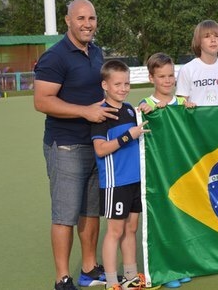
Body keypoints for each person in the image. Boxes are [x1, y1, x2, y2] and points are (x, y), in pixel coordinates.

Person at [34, 0, 119, 290]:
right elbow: (42, 101)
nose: (87, 24)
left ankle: (89, 269)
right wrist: (85, 112)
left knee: (90, 211)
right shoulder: (55, 57)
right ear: (68, 21)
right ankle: (62, 278)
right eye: (81, 18)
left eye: (91, 18)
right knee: (64, 215)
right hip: (66, 146)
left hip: (96, 144)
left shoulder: (96, 52)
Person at [91, 60, 152, 290]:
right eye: (117, 84)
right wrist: (128, 136)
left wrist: (148, 108)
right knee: (115, 231)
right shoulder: (101, 114)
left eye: (126, 83)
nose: (123, 88)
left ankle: (130, 277)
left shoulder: (129, 109)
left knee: (131, 229)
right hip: (116, 183)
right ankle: (112, 282)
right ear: (105, 85)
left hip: (136, 181)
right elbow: (100, 149)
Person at [137, 53, 191, 289]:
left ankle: (180, 265)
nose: (167, 80)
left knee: (182, 220)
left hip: (181, 172)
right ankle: (165, 271)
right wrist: (147, 110)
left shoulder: (182, 102)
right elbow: (141, 118)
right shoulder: (147, 105)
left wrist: (191, 110)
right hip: (159, 175)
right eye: (162, 76)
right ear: (152, 78)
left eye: (170, 75)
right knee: (163, 222)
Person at [176, 19, 218, 107]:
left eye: (217, 36)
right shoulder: (187, 70)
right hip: (196, 116)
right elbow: (181, 105)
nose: (213, 40)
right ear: (198, 41)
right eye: (207, 36)